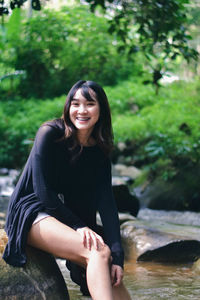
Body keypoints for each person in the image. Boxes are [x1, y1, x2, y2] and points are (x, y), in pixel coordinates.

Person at [3, 80, 131, 300]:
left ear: (101, 109)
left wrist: (118, 259)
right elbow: (41, 189)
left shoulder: (99, 152)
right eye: (75, 104)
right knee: (98, 251)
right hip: (32, 211)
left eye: (89, 104)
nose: (81, 110)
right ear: (68, 107)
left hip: (62, 215)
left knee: (107, 260)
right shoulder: (50, 133)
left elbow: (107, 205)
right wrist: (78, 225)